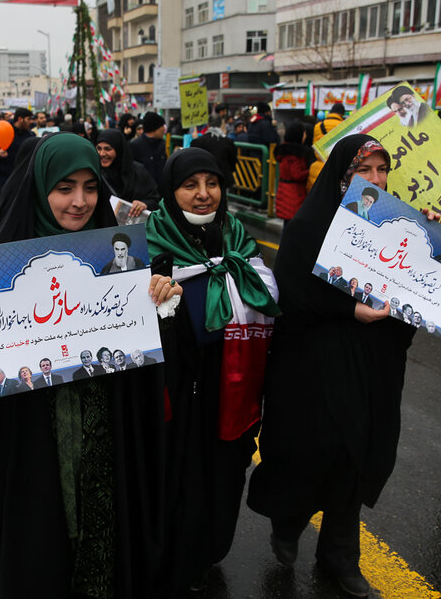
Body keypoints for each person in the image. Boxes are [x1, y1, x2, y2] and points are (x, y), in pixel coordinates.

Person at [0, 132, 166, 598]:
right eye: (64, 188)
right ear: (40, 189)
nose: (79, 201)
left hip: (107, 440)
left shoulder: (125, 264)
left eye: (90, 187)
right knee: (41, 554)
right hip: (34, 446)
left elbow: (146, 368)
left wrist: (161, 304)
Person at [248, 134, 441, 597]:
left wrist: (430, 244)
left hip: (373, 363)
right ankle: (289, 519)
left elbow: (420, 296)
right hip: (312, 364)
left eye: (382, 171)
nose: (374, 180)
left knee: (355, 455)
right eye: (364, 171)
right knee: (311, 449)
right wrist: (348, 310)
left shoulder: (396, 229)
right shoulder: (308, 226)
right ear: (341, 177)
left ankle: (340, 555)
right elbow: (291, 297)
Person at [145, 147, 280, 593]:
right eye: (190, 185)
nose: (204, 195)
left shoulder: (239, 241)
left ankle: (208, 552)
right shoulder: (151, 245)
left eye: (213, 183)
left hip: (230, 391)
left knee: (221, 478)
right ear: (171, 190)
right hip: (177, 398)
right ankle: (172, 559)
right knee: (176, 478)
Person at [95, 128, 159, 219]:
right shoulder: (94, 173)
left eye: (107, 149)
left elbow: (155, 199)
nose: (102, 153)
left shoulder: (138, 172)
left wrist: (144, 204)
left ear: (119, 149)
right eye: (98, 148)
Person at [0, 108, 35, 193]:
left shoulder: (30, 135)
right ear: (20, 119)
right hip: (4, 177)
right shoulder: (2, 131)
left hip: (22, 178)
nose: (31, 122)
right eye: (29, 119)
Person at [274, 122, 311, 224]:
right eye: (303, 133)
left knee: (288, 225)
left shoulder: (284, 151)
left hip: (285, 193)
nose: (305, 136)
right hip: (293, 196)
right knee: (291, 227)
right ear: (297, 135)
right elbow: (297, 175)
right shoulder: (294, 155)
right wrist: (310, 170)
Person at [131, 112, 168, 186]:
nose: (164, 129)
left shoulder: (165, 145)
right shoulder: (135, 146)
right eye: (162, 126)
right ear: (155, 128)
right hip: (143, 193)